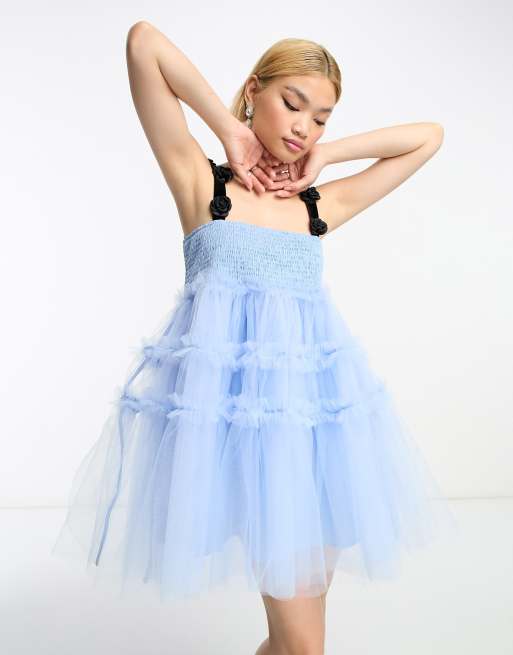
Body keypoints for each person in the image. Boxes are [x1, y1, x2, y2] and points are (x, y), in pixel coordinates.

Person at [52, 21, 458, 655]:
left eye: (319, 118)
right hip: (233, 440)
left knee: (293, 643)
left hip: (316, 441)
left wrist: (330, 153)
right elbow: (143, 43)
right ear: (254, 91)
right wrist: (228, 128)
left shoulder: (316, 207)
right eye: (292, 103)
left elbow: (428, 137)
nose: (303, 127)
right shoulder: (202, 185)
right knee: (302, 646)